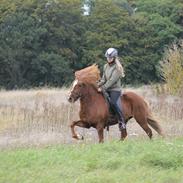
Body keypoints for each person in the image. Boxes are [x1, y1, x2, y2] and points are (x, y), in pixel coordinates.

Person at [97, 48, 126, 132]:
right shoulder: (105, 66)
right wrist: (97, 85)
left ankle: (121, 121)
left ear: (114, 58)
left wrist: (102, 88)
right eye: (107, 57)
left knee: (113, 102)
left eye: (110, 58)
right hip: (106, 89)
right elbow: (103, 79)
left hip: (114, 90)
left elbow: (111, 81)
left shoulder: (117, 68)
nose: (108, 59)